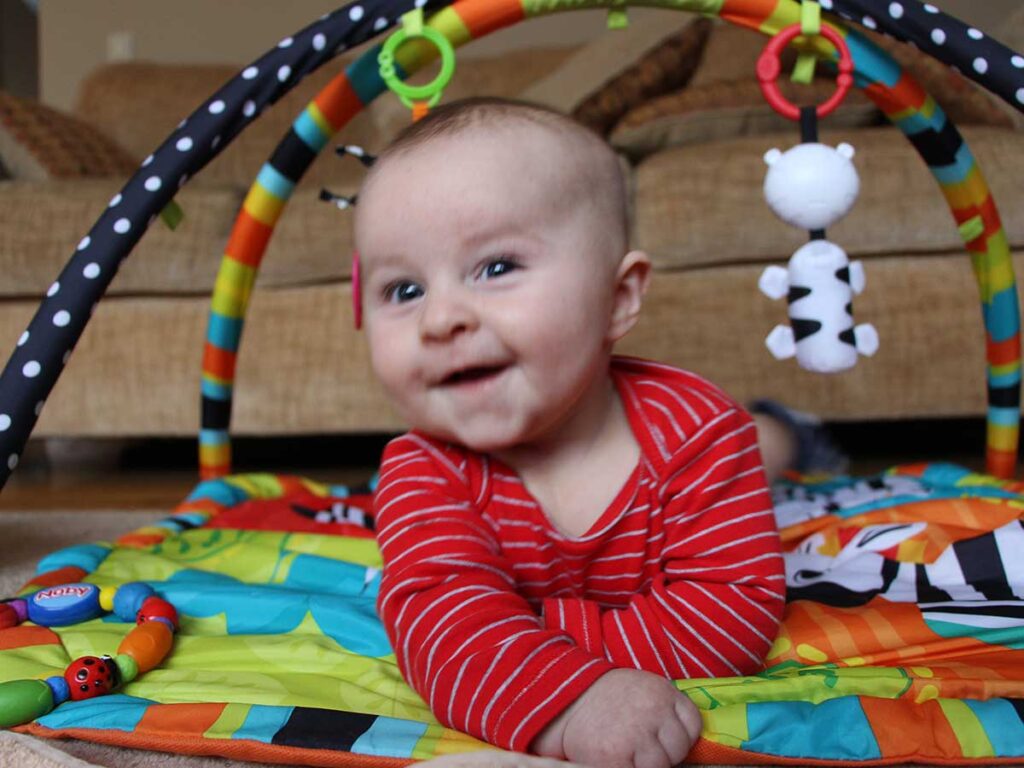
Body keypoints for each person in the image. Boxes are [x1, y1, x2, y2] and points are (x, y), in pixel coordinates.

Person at [355, 97, 786, 768]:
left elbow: (734, 610)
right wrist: (572, 700)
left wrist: (526, 632)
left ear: (618, 299)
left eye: (496, 267)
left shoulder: (701, 432)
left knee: (769, 443)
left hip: (730, 431)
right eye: (403, 290)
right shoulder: (421, 469)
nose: (439, 319)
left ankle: (785, 431)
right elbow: (442, 627)